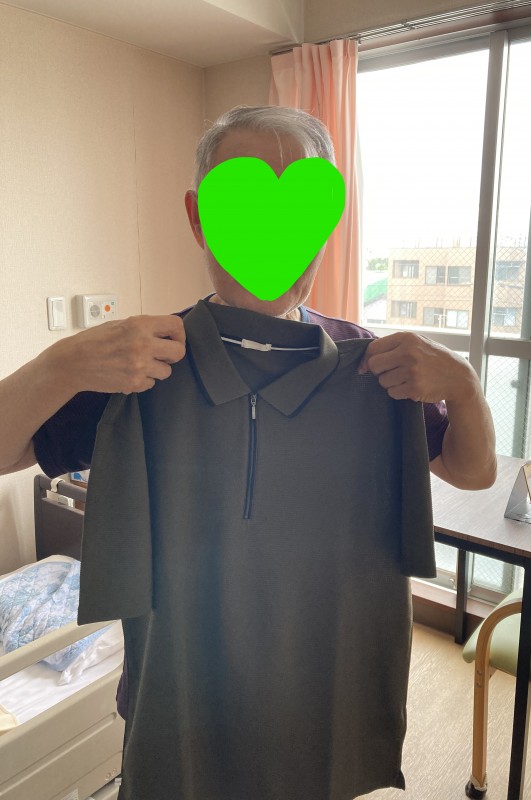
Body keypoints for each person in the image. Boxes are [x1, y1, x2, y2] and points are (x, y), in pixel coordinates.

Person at [0, 106, 496, 796]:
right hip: (176, 699)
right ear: (199, 217)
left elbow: (474, 472)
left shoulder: (376, 369)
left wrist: (464, 387)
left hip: (323, 697)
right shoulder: (138, 366)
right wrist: (60, 365)